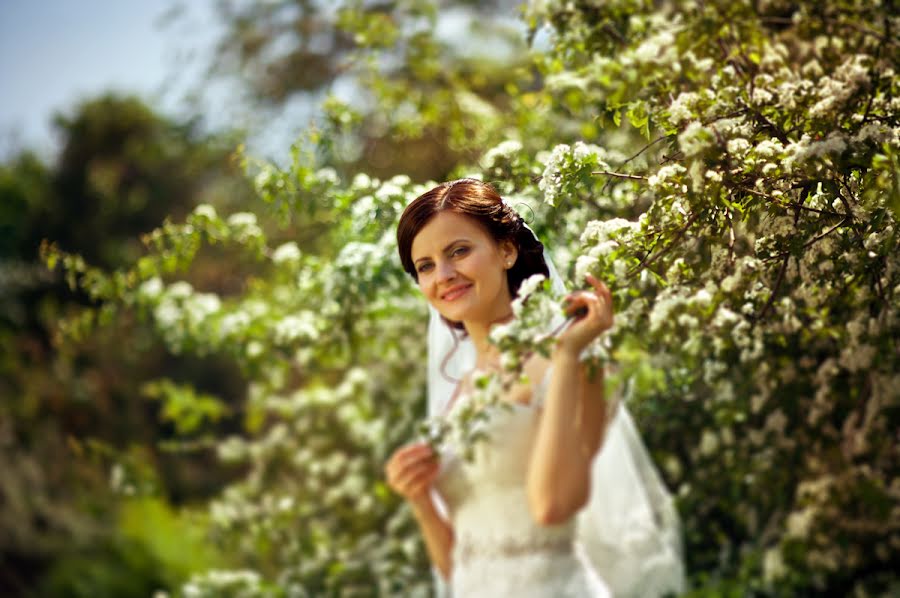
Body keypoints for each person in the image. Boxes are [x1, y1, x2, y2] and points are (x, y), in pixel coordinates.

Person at [384, 179, 684, 597]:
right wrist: (418, 497)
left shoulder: (576, 361)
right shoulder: (460, 392)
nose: (445, 275)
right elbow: (458, 563)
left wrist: (565, 358)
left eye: (459, 251)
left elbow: (552, 506)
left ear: (506, 250)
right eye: (426, 265)